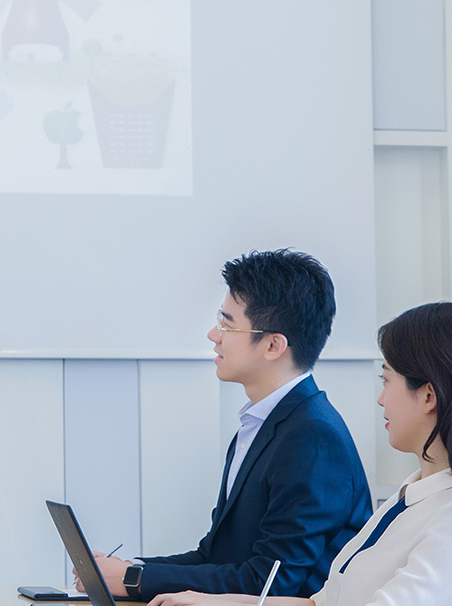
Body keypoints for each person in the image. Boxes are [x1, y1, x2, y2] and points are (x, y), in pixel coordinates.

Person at [144, 302, 452, 606]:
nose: (381, 398)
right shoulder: (411, 496)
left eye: (387, 380)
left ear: (428, 395)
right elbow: (323, 603)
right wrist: (213, 600)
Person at [89, 249, 371, 599]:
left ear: (273, 345)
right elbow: (216, 557)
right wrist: (129, 570)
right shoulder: (262, 424)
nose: (213, 334)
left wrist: (135, 579)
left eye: (227, 324)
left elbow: (271, 582)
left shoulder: (312, 436)